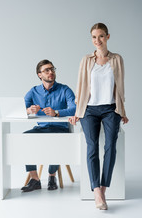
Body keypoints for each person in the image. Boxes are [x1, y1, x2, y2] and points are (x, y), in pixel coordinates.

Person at [69, 23, 129, 210]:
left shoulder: (117, 59)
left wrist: (123, 111)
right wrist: (77, 111)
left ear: (108, 37)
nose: (97, 41)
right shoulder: (86, 60)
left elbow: (120, 87)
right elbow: (80, 87)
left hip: (111, 108)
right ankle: (96, 190)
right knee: (92, 146)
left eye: (101, 36)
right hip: (89, 110)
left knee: (111, 145)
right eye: (94, 37)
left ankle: (103, 188)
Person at [21, 59, 76, 192]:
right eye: (47, 70)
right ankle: (35, 179)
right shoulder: (34, 91)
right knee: (24, 138)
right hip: (42, 128)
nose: (51, 72)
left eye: (52, 69)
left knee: (55, 140)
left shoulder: (65, 89)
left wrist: (56, 113)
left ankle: (52, 176)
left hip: (61, 129)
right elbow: (19, 107)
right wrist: (29, 110)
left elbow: (75, 109)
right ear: (40, 75)